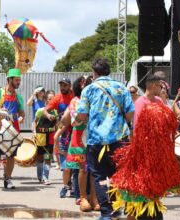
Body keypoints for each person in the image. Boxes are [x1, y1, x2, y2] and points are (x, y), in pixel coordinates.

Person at [76, 58, 135, 219]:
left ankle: (107, 213)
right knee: (118, 175)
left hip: (96, 140)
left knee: (100, 176)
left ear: (94, 72)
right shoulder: (121, 88)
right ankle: (117, 209)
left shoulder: (88, 90)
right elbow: (130, 114)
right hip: (119, 140)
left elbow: (81, 115)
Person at [61, 76, 100, 212]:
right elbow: (75, 121)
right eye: (85, 85)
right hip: (80, 138)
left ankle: (94, 198)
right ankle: (83, 197)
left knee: (94, 169)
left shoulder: (97, 100)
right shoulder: (75, 101)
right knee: (83, 168)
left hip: (95, 136)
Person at [0, 68, 25, 189]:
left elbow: (21, 113)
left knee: (11, 156)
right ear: (9, 79)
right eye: (16, 80)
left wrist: (21, 118)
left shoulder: (18, 97)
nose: (18, 82)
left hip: (12, 129)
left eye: (19, 80)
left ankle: (8, 179)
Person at [43, 77, 74, 198]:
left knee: (75, 164)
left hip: (76, 133)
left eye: (65, 85)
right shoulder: (57, 97)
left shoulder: (75, 96)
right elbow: (46, 110)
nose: (63, 87)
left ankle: (71, 186)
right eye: (61, 85)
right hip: (63, 134)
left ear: (70, 86)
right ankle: (66, 185)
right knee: (66, 167)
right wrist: (49, 116)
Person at [32, 90, 57, 185]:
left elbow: (58, 124)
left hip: (50, 136)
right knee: (40, 158)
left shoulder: (55, 111)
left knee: (48, 157)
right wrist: (34, 132)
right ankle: (39, 176)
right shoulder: (40, 111)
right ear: (45, 100)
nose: (51, 100)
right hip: (40, 136)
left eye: (53, 99)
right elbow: (35, 122)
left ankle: (45, 177)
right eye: (49, 99)